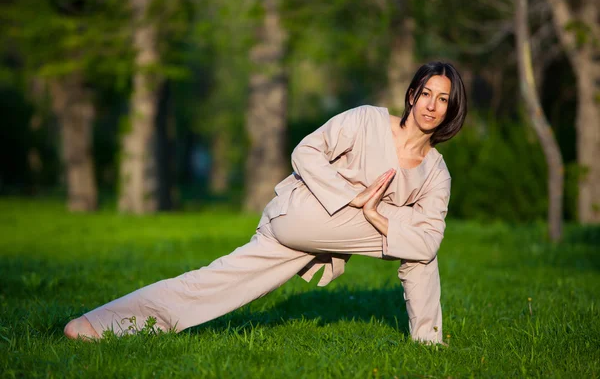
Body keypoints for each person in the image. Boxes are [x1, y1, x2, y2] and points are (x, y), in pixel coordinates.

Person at [65, 61, 467, 344]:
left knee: (216, 283)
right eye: (426, 93)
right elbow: (305, 152)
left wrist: (376, 216)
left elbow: (426, 243)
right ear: (411, 95)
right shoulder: (366, 121)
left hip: (308, 234)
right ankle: (428, 342)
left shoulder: (435, 173)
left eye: (443, 99)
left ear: (451, 110)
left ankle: (96, 325)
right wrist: (356, 198)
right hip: (305, 212)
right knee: (414, 239)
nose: (431, 106)